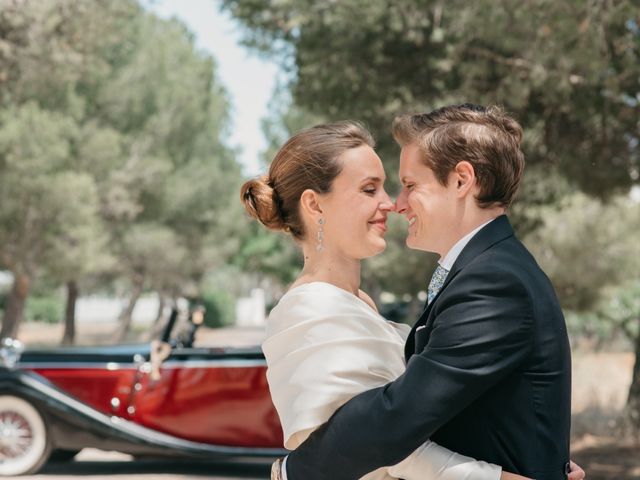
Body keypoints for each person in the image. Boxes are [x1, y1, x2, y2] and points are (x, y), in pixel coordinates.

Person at [241, 120, 582, 480]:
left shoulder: (372, 302)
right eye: (370, 189)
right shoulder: (307, 308)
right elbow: (390, 438)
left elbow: (405, 417)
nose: (391, 203)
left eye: (402, 186)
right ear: (314, 204)